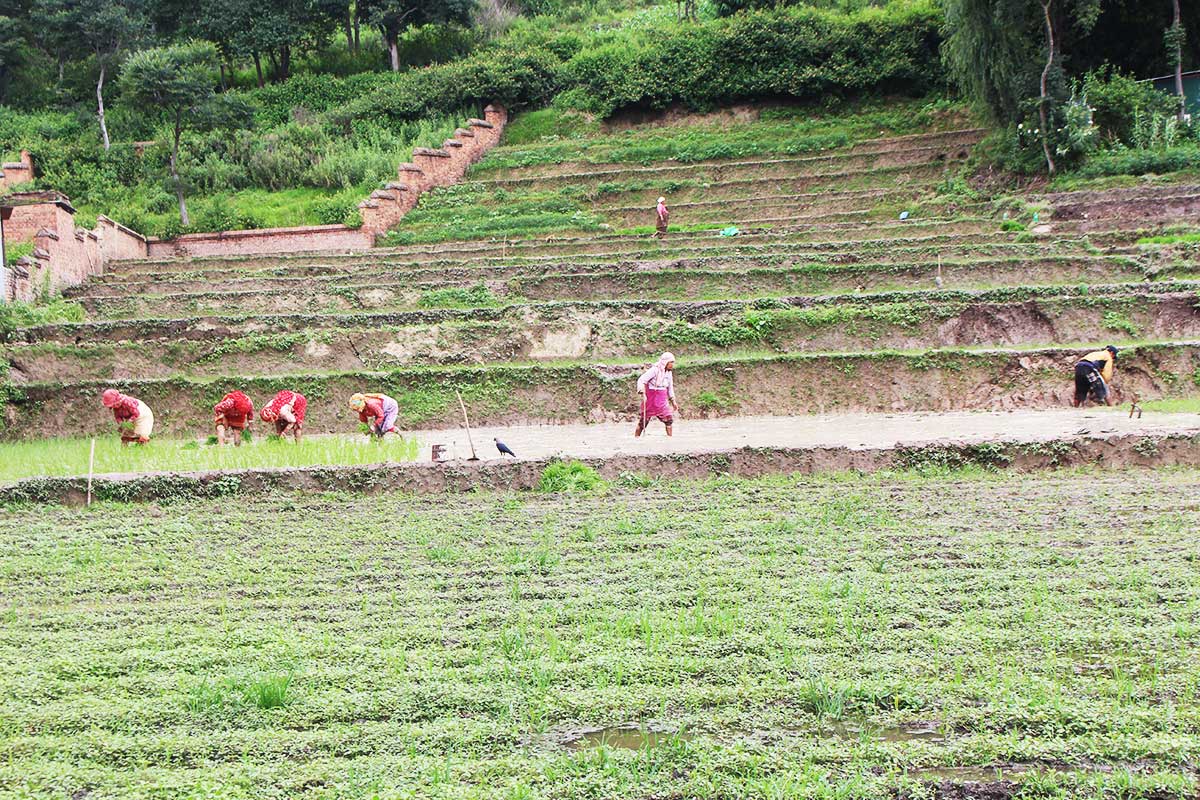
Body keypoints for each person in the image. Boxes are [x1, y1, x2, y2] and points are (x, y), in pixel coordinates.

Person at [635, 352, 679, 437]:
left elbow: (670, 387)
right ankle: (636, 438)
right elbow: (641, 380)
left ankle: (670, 439)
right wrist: (642, 392)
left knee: (668, 420)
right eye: (671, 362)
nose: (672, 365)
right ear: (665, 362)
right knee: (643, 422)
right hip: (651, 399)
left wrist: (673, 401)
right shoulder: (655, 370)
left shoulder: (668, 373)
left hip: (662, 399)